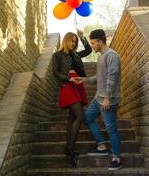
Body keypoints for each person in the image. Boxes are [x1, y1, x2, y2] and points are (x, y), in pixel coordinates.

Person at [80, 29, 122, 171]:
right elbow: (100, 77)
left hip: (107, 100)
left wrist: (107, 98)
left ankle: (116, 158)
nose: (91, 46)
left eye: (92, 43)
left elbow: (112, 77)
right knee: (87, 118)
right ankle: (102, 145)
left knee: (111, 129)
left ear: (99, 41)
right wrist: (84, 80)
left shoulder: (112, 56)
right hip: (98, 98)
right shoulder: (101, 57)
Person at [52, 31, 92, 167]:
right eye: (72, 41)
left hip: (77, 86)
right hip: (68, 85)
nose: (74, 43)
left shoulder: (75, 55)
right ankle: (70, 150)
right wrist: (69, 78)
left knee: (72, 119)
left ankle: (68, 148)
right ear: (66, 40)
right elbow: (55, 72)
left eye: (76, 41)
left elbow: (88, 50)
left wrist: (82, 37)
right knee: (80, 116)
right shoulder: (57, 55)